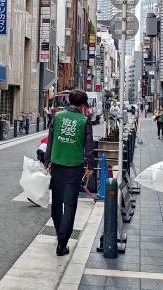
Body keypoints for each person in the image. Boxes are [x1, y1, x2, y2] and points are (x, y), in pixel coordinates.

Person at [44, 89, 95, 256]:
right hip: (74, 166)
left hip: (57, 164)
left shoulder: (57, 117)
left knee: (57, 203)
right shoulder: (84, 120)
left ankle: (60, 235)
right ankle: (62, 244)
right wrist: (90, 166)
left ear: (69, 101)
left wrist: (47, 160)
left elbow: (50, 139)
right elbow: (88, 146)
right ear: (82, 104)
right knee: (70, 205)